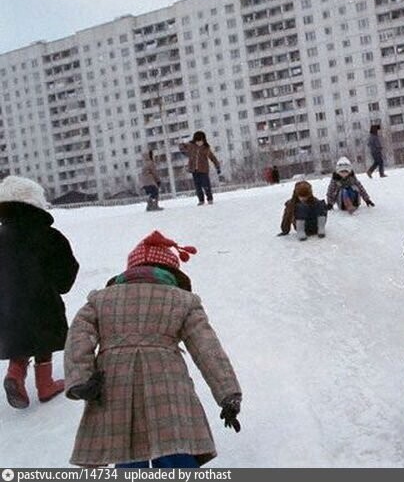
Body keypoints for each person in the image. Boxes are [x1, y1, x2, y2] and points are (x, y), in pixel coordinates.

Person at [64, 231, 242, 467]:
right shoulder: (183, 300)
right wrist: (228, 394)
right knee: (175, 448)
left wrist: (80, 379)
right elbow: (207, 348)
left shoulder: (100, 300)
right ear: (172, 272)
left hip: (114, 386)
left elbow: (79, 336)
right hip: (168, 388)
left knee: (124, 451)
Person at [0, 176, 80, 409]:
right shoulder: (50, 236)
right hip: (42, 301)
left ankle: (15, 373)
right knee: (43, 337)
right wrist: (57, 285)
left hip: (7, 304)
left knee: (20, 339)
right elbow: (67, 270)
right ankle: (45, 384)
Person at [179, 130, 221, 205]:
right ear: (194, 141)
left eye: (200, 141)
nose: (199, 143)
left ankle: (210, 198)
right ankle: (201, 200)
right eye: (197, 141)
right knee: (198, 186)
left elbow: (213, 158)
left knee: (206, 185)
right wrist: (182, 145)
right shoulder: (191, 146)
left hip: (204, 170)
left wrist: (217, 166)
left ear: (203, 140)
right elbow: (182, 147)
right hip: (194, 170)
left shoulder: (206, 148)